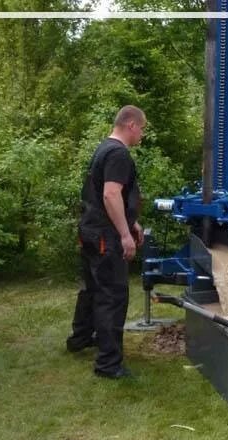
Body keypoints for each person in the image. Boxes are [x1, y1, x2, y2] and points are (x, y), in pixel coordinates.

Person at [66, 105, 146, 379]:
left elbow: (102, 193)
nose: (142, 135)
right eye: (142, 128)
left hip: (89, 229)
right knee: (112, 295)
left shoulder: (103, 148)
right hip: (105, 236)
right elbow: (111, 195)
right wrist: (125, 235)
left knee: (91, 288)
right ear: (131, 124)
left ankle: (80, 338)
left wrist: (131, 221)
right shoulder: (119, 154)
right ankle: (109, 364)